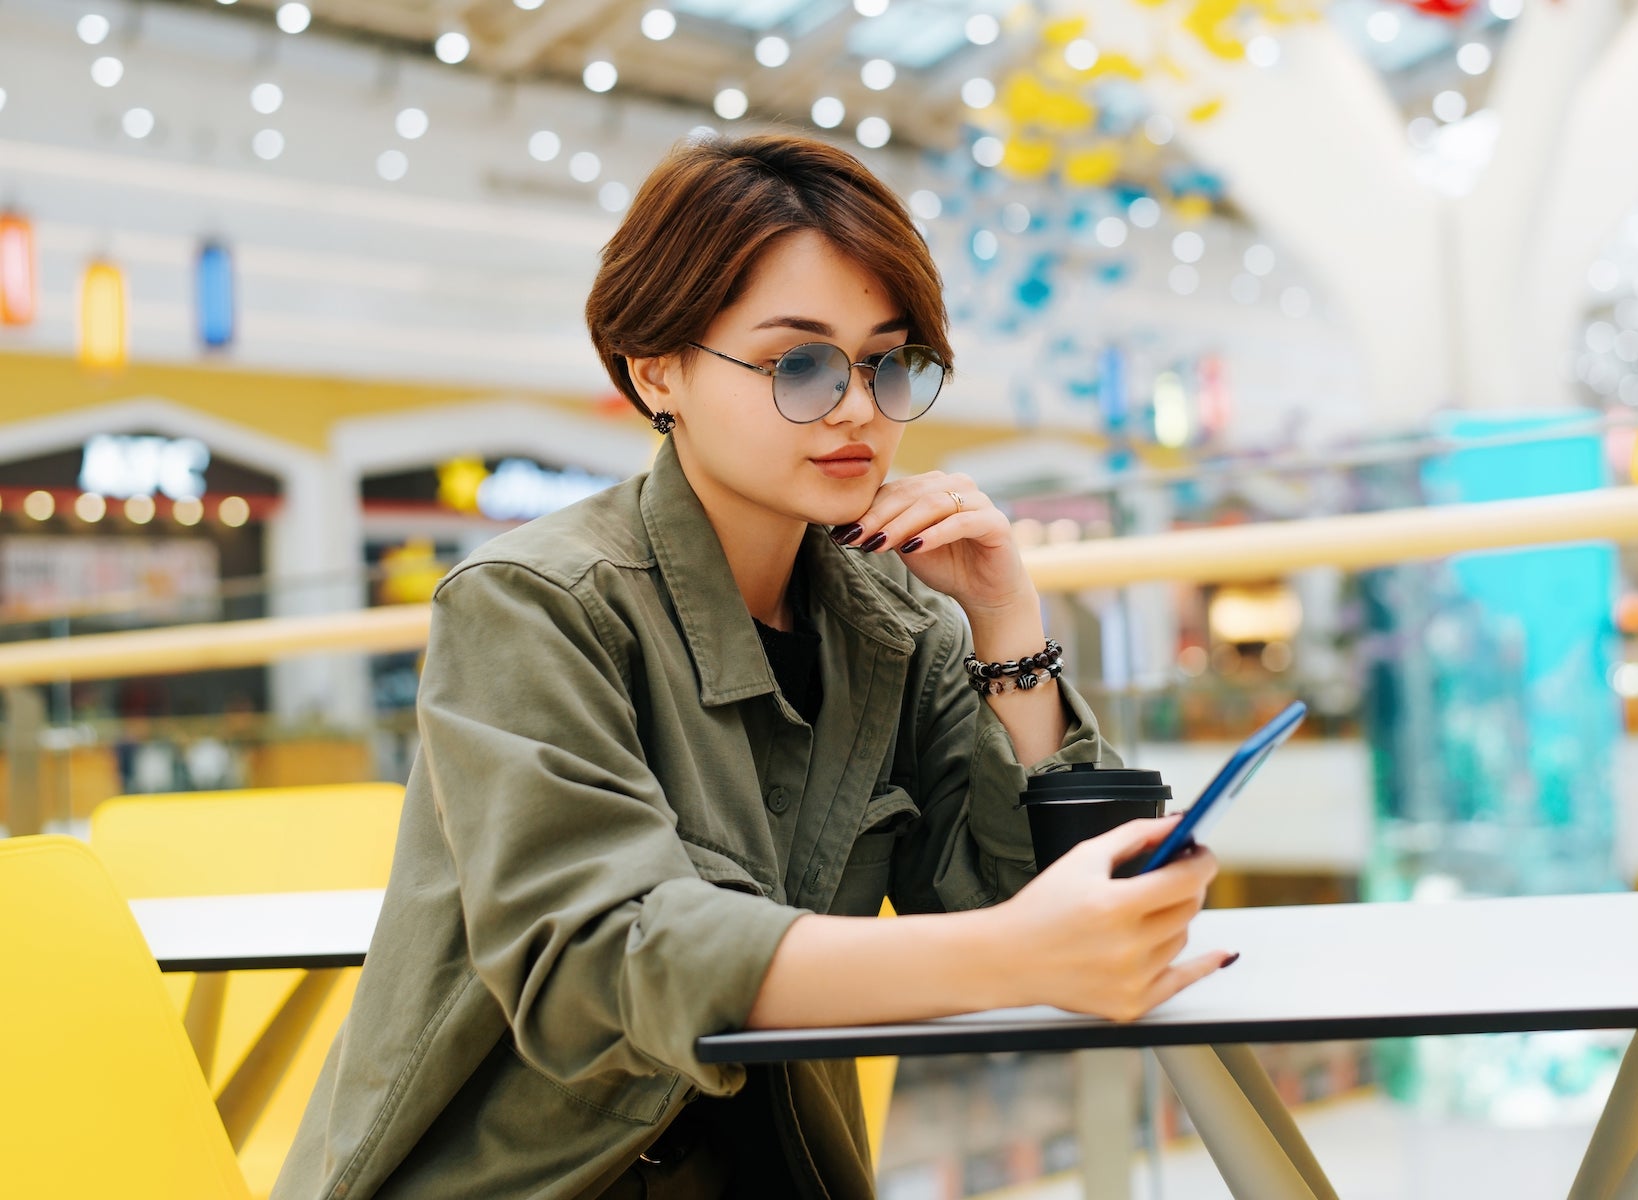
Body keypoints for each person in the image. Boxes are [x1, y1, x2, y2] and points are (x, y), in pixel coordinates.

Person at [273, 132, 1233, 1200]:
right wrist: (1020, 951)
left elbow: (1033, 908)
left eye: (887, 361)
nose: (859, 408)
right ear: (657, 369)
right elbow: (601, 959)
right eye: (801, 365)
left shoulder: (897, 622)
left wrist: (1007, 623)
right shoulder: (532, 601)